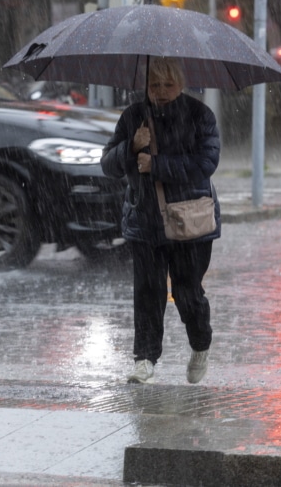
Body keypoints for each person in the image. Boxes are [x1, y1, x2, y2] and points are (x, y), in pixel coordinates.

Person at [101, 57, 221, 385]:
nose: (162, 91)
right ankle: (145, 359)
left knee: (187, 293)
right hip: (145, 221)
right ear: (145, 86)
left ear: (180, 83)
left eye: (168, 84)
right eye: (155, 85)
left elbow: (206, 162)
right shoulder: (133, 117)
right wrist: (131, 146)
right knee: (148, 293)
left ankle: (200, 345)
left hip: (189, 223)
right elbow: (108, 165)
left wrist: (157, 165)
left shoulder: (200, 115)